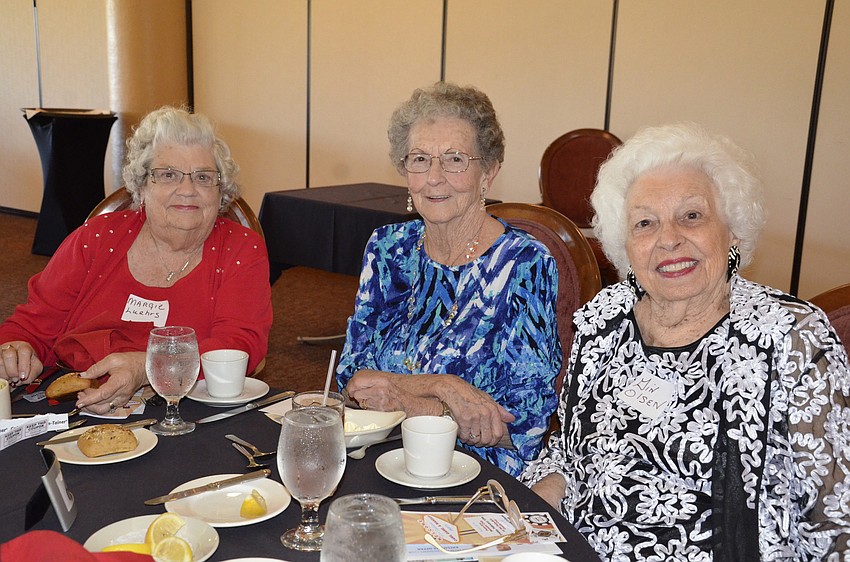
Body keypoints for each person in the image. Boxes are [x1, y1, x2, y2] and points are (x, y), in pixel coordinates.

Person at [520, 122, 850, 560]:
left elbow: (834, 519)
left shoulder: (790, 337)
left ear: (732, 230)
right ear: (625, 245)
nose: (669, 239)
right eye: (645, 223)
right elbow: (570, 448)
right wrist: (538, 500)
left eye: (691, 216)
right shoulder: (604, 319)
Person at [336, 82, 561, 477]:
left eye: (455, 159)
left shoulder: (524, 263)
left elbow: (524, 424)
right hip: (378, 457)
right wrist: (444, 387)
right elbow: (352, 380)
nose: (434, 177)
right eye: (420, 159)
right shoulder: (388, 248)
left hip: (474, 473)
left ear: (488, 172)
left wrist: (409, 402)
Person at [0, 106, 272, 415]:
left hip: (185, 412)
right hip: (73, 405)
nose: (187, 190)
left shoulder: (239, 249)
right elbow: (32, 323)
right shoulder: (98, 238)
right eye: (168, 175)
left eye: (203, 177)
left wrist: (148, 367)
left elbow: (237, 346)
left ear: (221, 192)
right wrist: (16, 348)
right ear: (141, 186)